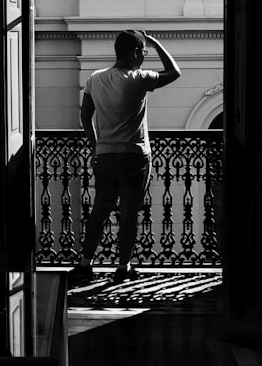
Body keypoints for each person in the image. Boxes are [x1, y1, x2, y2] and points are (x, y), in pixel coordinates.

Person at [69, 30, 181, 284]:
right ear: (134, 53)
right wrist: (156, 43)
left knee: (99, 210)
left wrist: (96, 146)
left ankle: (85, 263)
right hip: (134, 156)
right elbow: (174, 72)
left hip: (105, 155)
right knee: (129, 213)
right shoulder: (139, 78)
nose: (144, 56)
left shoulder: (95, 79)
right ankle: (123, 267)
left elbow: (85, 116)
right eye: (143, 51)